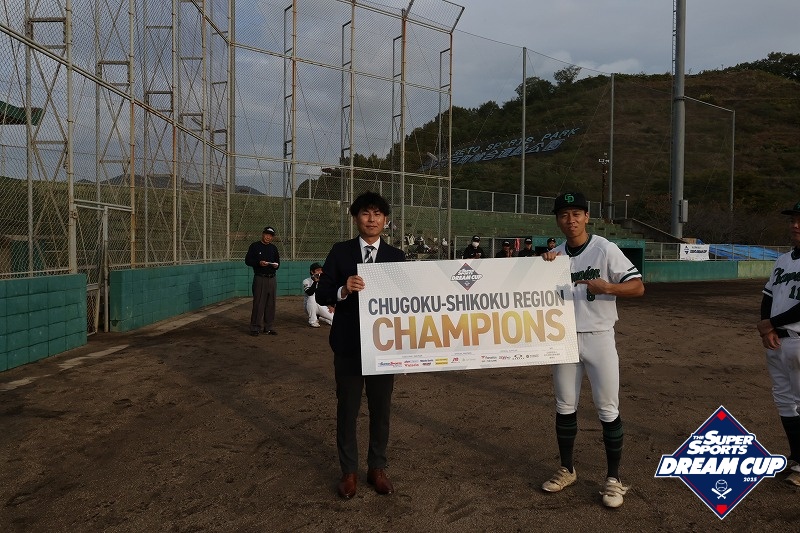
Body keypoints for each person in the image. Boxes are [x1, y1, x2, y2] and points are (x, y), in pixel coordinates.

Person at [539, 192, 644, 508]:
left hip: (599, 336)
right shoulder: (554, 256)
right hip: (564, 339)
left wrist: (608, 287)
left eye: (576, 213)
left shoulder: (604, 248)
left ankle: (613, 479)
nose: (570, 220)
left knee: (607, 408)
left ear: (586, 216)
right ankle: (567, 469)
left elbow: (638, 286)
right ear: (558, 220)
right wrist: (541, 267)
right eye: (564, 214)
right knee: (564, 406)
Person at [315, 191, 406, 499]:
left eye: (377, 214)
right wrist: (343, 289)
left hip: (384, 347)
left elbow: (409, 301)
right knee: (348, 410)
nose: (371, 219)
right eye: (366, 213)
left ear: (386, 220)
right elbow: (322, 293)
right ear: (356, 217)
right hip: (349, 345)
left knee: (381, 410)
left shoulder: (396, 257)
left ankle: (377, 468)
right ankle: (349, 472)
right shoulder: (340, 252)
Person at [756, 200, 800, 487]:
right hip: (778, 340)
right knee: (784, 401)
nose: (795, 225)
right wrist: (766, 328)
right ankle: (797, 457)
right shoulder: (782, 260)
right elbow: (768, 297)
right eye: (793, 219)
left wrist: (771, 323)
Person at [244, 226, 280, 336]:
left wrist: (276, 265)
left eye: (270, 235)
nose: (268, 237)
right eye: (267, 234)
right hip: (260, 278)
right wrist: (259, 263)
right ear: (263, 234)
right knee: (259, 303)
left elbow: (278, 262)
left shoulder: (273, 248)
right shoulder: (255, 246)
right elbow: (248, 261)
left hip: (272, 278)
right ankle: (255, 328)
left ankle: (268, 327)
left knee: (271, 304)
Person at [302, 262, 334, 328]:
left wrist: (331, 306)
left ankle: (320, 317)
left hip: (320, 304)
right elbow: (309, 293)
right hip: (309, 306)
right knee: (312, 297)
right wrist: (315, 282)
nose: (320, 272)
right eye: (317, 270)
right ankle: (313, 321)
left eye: (321, 270)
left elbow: (328, 294)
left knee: (334, 318)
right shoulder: (306, 281)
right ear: (312, 272)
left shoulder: (324, 281)